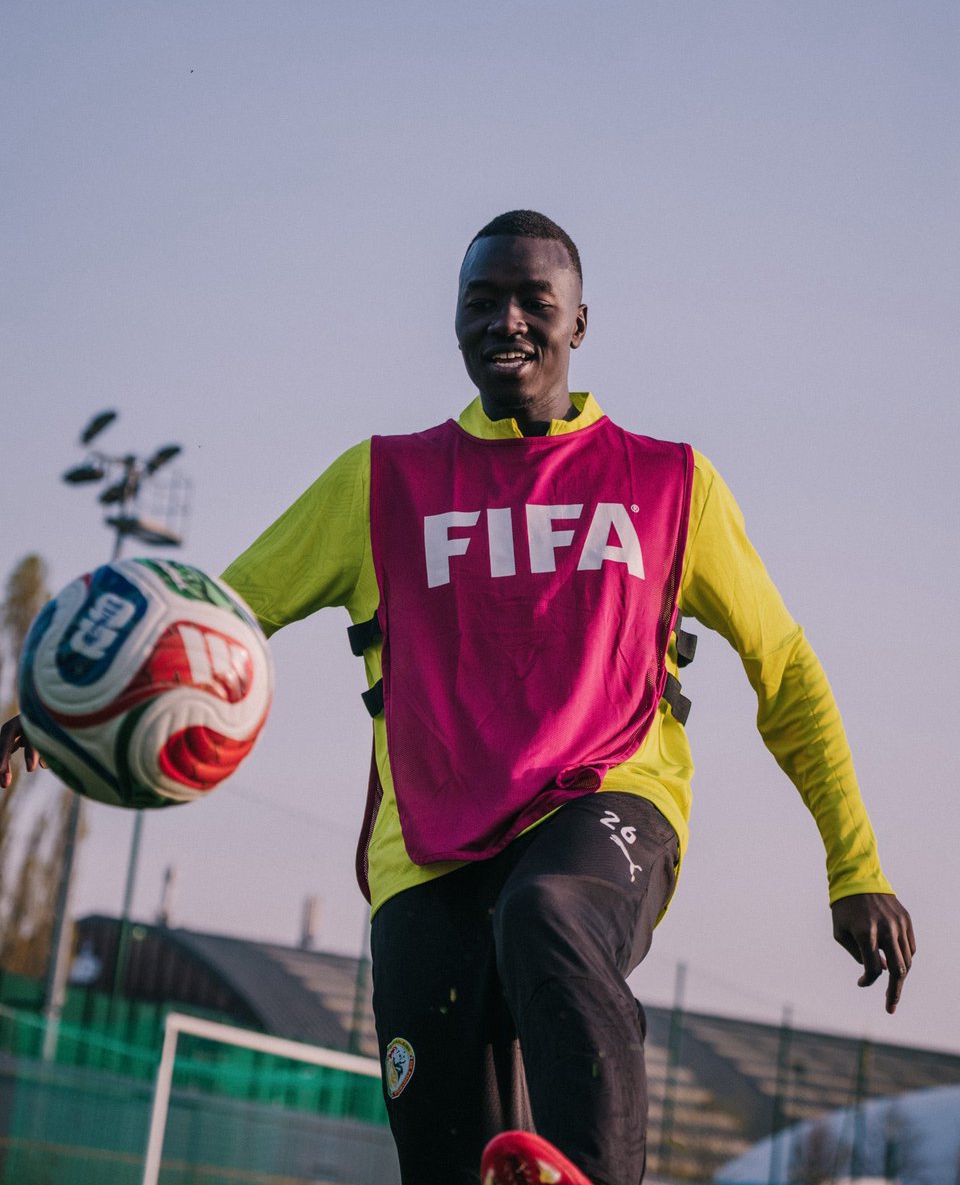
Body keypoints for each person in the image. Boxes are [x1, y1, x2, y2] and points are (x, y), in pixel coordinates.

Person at [0, 211, 915, 1185]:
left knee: (548, 914)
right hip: (423, 858)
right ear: (454, 320)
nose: (507, 320)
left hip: (604, 804)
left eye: (534, 301)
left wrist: (854, 863)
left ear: (580, 322)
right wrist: (51, 721)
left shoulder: (670, 484)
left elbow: (790, 673)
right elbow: (214, 626)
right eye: (483, 301)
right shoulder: (381, 481)